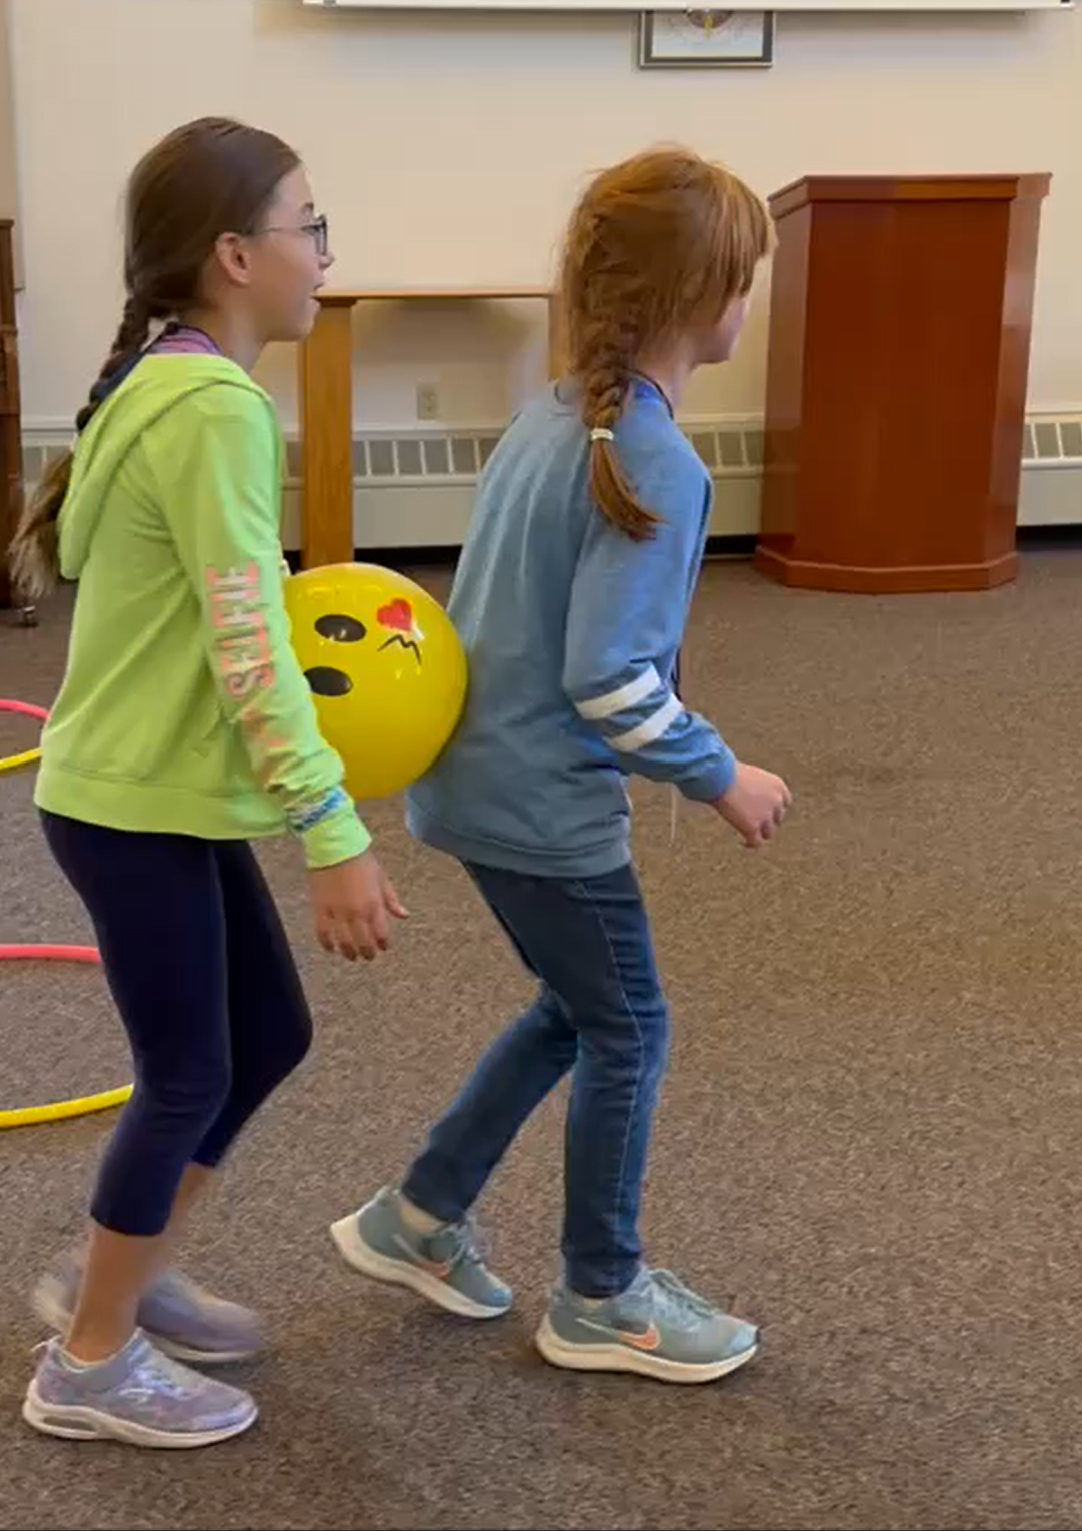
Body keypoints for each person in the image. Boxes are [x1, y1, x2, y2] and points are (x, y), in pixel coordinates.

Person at [329, 146, 793, 1386]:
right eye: (744, 279)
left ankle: (418, 1214)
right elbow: (611, 681)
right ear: (702, 294)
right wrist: (721, 774)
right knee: (629, 1028)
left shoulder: (556, 418)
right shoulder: (652, 459)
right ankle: (601, 1294)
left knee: (573, 1010)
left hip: (477, 783)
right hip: (543, 805)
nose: (748, 304)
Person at [7, 116, 407, 1450]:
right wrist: (331, 828)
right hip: (133, 804)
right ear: (235, 255)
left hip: (144, 794)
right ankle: (87, 1357)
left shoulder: (163, 380)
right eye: (310, 226)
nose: (324, 254)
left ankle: (118, 1270)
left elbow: (219, 616)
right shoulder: (214, 409)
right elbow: (252, 644)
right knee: (185, 1072)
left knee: (265, 1036)